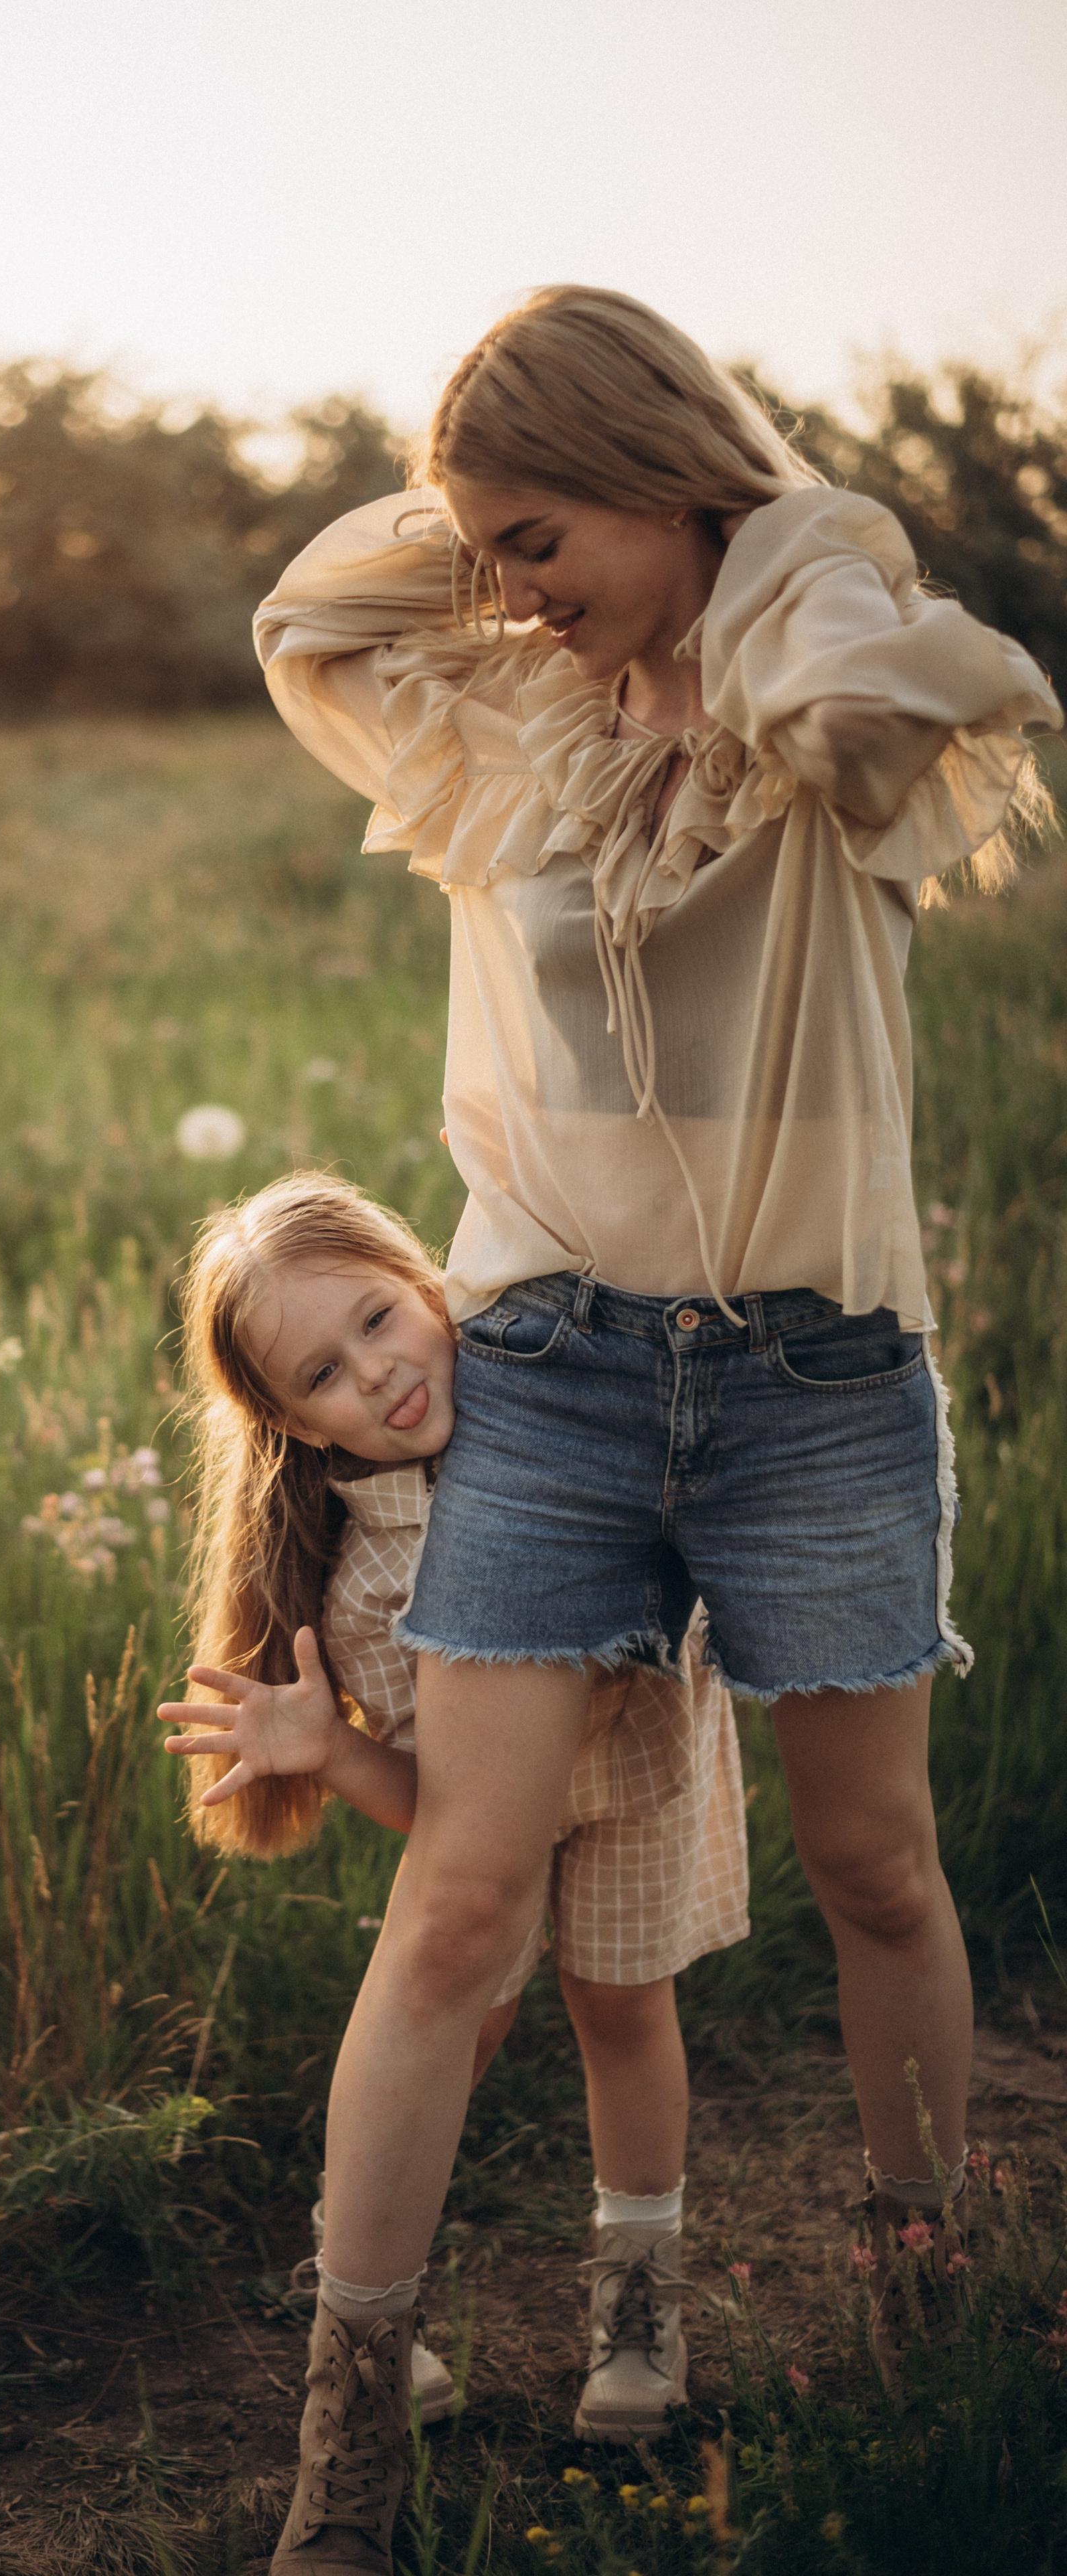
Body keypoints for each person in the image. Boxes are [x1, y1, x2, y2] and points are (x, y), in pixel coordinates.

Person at [246, 286, 1060, 2573]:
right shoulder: (507, 713)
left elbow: (868, 674)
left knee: (878, 1866)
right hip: (559, 1370)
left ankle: (930, 2325)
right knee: (460, 1895)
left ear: (671, 465)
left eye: (547, 533)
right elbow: (308, 608)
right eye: (487, 546)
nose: (510, 586)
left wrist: (764, 528)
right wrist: (514, 522)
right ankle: (341, 2452)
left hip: (813, 1379)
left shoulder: (830, 691)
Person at [157, 1170, 748, 2443]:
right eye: (321, 1375)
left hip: (638, 1779)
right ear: (297, 1427)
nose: (371, 1375)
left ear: (429, 1282)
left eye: (376, 1319)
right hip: (483, 1841)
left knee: (626, 2013)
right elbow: (438, 1805)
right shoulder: (367, 1571)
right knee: (455, 2025)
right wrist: (327, 1750)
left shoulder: (566, 1415)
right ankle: (361, 2275)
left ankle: (638, 2310)